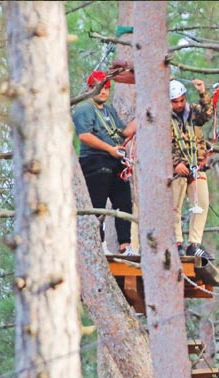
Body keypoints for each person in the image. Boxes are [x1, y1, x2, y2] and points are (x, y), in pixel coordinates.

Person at [73, 71, 137, 256]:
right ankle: (99, 244)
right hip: (95, 160)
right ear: (90, 88)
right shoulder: (85, 109)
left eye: (107, 88)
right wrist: (109, 149)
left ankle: (125, 245)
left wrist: (144, 113)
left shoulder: (109, 110)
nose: (103, 92)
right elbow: (84, 136)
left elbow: (124, 132)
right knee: (98, 204)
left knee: (124, 202)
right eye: (99, 88)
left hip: (115, 160)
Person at [169, 79, 215, 259]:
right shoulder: (162, 117)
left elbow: (207, 114)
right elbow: (159, 143)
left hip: (196, 165)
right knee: (175, 206)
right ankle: (177, 242)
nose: (179, 105)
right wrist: (175, 163)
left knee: (202, 203)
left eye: (181, 100)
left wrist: (203, 92)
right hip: (177, 168)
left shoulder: (193, 112)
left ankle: (194, 244)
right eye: (175, 102)